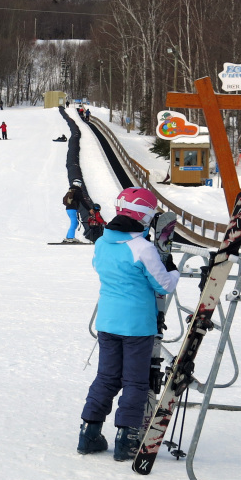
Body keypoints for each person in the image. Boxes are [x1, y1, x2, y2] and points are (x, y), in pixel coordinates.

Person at [78, 187, 180, 461]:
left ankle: (89, 432)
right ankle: (127, 438)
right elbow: (164, 285)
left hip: (108, 321)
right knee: (135, 381)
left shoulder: (102, 242)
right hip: (137, 325)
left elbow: (99, 267)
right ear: (145, 217)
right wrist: (171, 266)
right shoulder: (143, 248)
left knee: (107, 377)